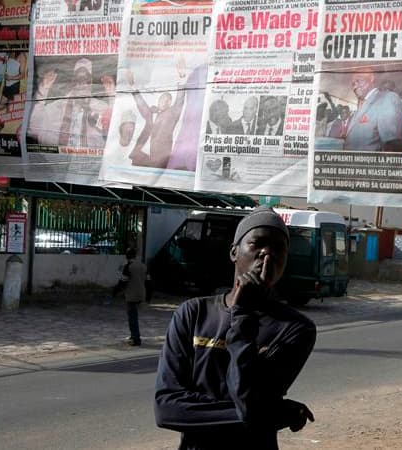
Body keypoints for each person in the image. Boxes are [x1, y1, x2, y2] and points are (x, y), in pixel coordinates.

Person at [154, 206, 316, 449]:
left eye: (278, 248)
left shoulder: (296, 329)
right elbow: (167, 409)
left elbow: (248, 403)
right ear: (234, 252)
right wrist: (277, 415)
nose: (266, 254)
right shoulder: (194, 314)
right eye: (257, 244)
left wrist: (242, 315)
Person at [28, 58, 108, 148]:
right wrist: (42, 91)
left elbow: (113, 133)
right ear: (73, 81)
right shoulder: (57, 107)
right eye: (79, 79)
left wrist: (112, 94)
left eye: (86, 80)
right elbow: (34, 129)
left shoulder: (101, 108)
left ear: (91, 82)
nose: (82, 83)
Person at [128, 63, 188, 168]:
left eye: (168, 100)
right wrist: (133, 87)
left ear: (170, 104)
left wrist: (182, 78)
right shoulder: (151, 114)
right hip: (140, 157)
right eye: (163, 99)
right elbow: (141, 104)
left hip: (158, 160)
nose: (165, 102)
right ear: (158, 101)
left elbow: (179, 100)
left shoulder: (172, 114)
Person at [344, 70, 402, 152]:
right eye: (353, 84)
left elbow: (392, 145)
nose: (355, 87)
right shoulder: (359, 109)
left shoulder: (387, 99)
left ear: (371, 78)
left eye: (359, 80)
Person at [113, 248, 150, 346]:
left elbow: (123, 281)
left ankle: (136, 338)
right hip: (142, 293)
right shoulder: (143, 266)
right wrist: (148, 297)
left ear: (127, 256)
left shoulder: (128, 266)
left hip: (131, 294)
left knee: (132, 317)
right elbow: (148, 282)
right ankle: (133, 335)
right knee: (134, 315)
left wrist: (115, 292)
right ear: (135, 255)